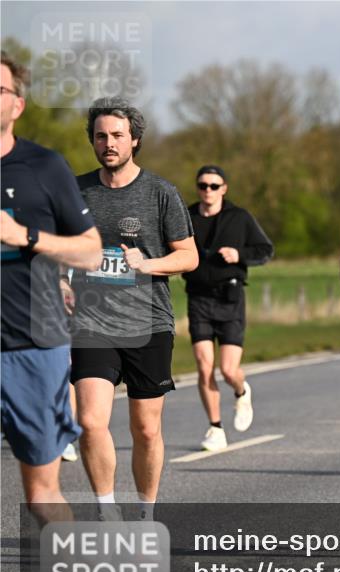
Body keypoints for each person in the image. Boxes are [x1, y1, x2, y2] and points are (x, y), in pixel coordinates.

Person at [1, 50, 103, 572]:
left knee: (41, 493)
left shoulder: (44, 167)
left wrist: (27, 238)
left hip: (31, 345)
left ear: (16, 101)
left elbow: (91, 250)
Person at [69, 97, 198, 522]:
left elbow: (189, 257)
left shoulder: (160, 193)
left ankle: (145, 514)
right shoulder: (75, 190)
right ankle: (107, 513)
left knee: (145, 429)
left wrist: (148, 263)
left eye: (117, 136)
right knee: (90, 420)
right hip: (91, 323)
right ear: (92, 141)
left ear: (134, 140)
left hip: (148, 323)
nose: (108, 143)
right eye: (101, 136)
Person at [182, 165, 274, 451]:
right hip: (198, 297)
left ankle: (241, 390)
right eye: (202, 185)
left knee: (229, 369)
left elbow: (265, 250)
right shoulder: (187, 217)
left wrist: (239, 255)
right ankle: (215, 427)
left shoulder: (239, 217)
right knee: (203, 365)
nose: (207, 190)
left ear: (224, 189)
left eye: (213, 185)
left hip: (230, 298)